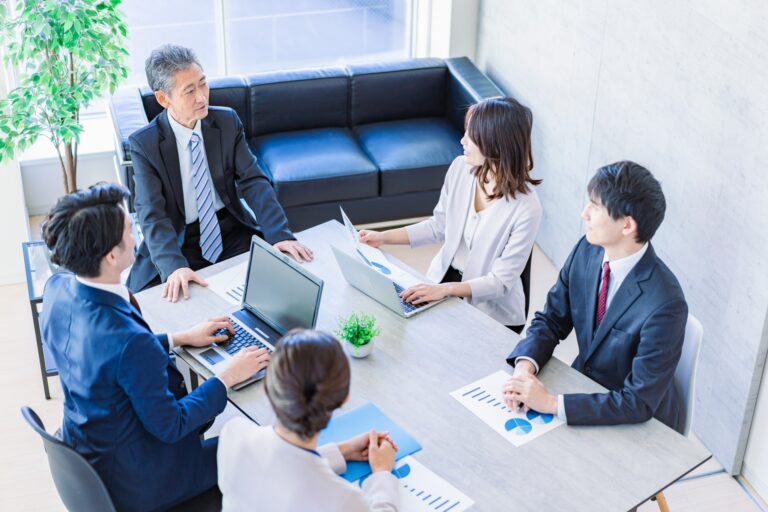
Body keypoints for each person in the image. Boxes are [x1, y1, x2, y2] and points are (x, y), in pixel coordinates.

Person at [40, 183, 271, 512]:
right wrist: (227, 376)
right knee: (259, 447)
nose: (136, 235)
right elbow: (172, 425)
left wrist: (179, 337)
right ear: (111, 255)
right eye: (129, 229)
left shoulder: (58, 289)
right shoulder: (128, 342)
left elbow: (107, 358)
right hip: (143, 482)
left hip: (96, 457)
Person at [503, 161, 688, 429]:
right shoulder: (587, 250)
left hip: (637, 424)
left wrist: (551, 403)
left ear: (627, 226)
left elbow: (637, 402)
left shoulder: (666, 304)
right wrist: (523, 371)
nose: (584, 213)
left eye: (595, 206)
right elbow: (551, 320)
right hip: (585, 388)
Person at [127, 44, 312, 300]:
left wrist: (279, 234)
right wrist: (174, 266)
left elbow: (253, 181)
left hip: (229, 229)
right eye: (189, 91)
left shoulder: (226, 122)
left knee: (278, 284)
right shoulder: (144, 145)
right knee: (151, 305)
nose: (202, 97)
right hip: (177, 239)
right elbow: (152, 213)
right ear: (163, 99)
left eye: (203, 84)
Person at [360, 97, 542, 333]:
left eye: (471, 136)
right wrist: (383, 237)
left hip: (491, 310)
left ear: (496, 143)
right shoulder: (461, 168)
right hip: (445, 279)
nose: (462, 140)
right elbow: (438, 226)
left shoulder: (527, 207)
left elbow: (500, 282)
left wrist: (446, 290)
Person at [218, 330, 400, 511]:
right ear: (344, 398)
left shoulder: (233, 433)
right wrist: (382, 473)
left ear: (269, 386)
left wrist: (343, 450)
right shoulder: (342, 499)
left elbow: (284, 471)